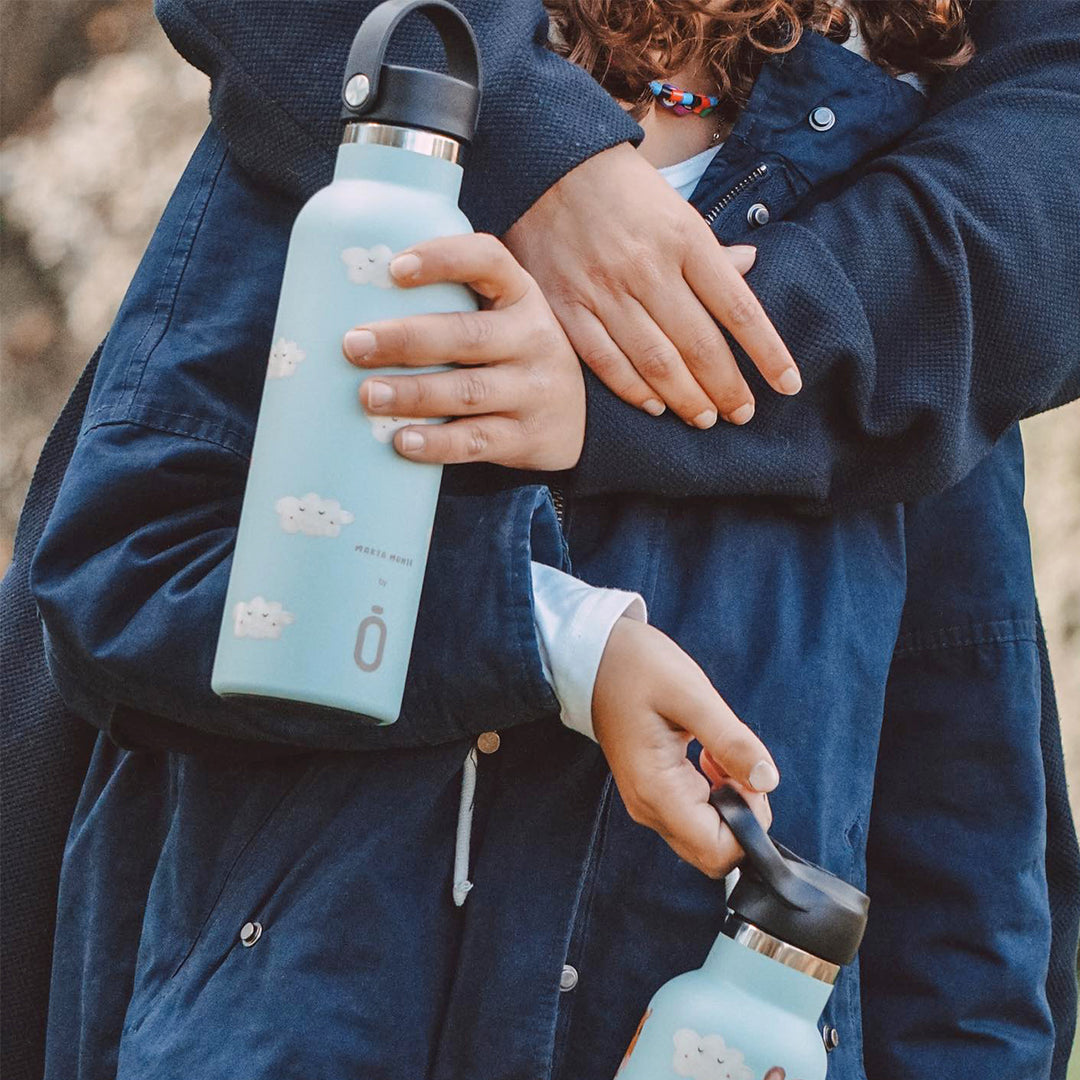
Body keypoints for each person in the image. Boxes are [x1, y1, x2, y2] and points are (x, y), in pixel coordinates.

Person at [10, 3, 1079, 1080]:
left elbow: (965, 868)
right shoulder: (380, 139)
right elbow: (131, 575)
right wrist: (559, 644)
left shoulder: (921, 281)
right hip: (296, 1024)